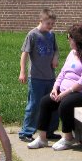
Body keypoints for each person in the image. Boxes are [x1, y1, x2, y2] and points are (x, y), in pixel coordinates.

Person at [27, 23, 82, 151]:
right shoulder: (73, 53)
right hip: (67, 91)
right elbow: (63, 73)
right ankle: (42, 138)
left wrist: (65, 93)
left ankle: (67, 138)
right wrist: (55, 88)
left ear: (77, 39)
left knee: (66, 104)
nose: (68, 42)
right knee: (45, 102)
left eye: (69, 39)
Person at [18, 8, 60, 142]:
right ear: (41, 21)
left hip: (50, 77)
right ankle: (26, 132)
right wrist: (22, 71)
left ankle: (49, 130)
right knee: (34, 104)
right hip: (36, 77)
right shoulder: (32, 35)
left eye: (52, 24)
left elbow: (56, 50)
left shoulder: (51, 35)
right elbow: (24, 54)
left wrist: (55, 58)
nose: (51, 26)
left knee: (52, 104)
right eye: (48, 23)